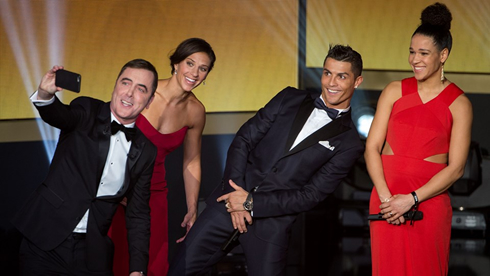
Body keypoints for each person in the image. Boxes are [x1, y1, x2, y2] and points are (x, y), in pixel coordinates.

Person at [167, 44, 365, 275]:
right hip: (227, 202)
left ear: (357, 81)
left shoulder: (349, 141)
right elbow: (243, 140)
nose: (331, 83)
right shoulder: (289, 97)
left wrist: (250, 203)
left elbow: (311, 196)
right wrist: (237, 196)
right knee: (180, 270)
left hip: (272, 223)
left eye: (341, 76)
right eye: (327, 73)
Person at [12, 59, 159, 276]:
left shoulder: (146, 150)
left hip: (91, 252)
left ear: (149, 100)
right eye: (126, 83)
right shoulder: (87, 110)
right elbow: (59, 115)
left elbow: (138, 213)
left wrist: (137, 269)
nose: (129, 93)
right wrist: (45, 95)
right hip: (45, 239)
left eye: (141, 89)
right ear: (116, 85)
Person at [365, 3, 473, 275]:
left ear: (443, 55)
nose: (415, 60)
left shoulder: (460, 104)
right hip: (385, 199)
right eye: (412, 52)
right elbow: (371, 148)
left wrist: (411, 199)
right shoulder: (393, 91)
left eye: (424, 53)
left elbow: (456, 168)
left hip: (428, 202)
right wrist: (388, 199)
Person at [109, 38, 216, 276]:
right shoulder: (145, 91)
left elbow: (192, 160)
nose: (194, 73)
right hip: (115, 192)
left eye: (203, 68)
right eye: (190, 63)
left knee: (150, 265)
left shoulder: (195, 111)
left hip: (153, 195)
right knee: (112, 260)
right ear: (176, 63)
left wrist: (192, 207)